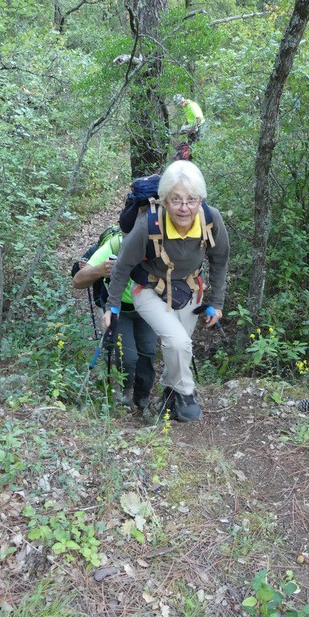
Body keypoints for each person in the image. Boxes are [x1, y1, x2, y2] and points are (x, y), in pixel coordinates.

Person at [103, 160, 230, 423]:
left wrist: (216, 303)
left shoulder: (210, 219)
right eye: (176, 200)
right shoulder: (148, 225)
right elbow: (122, 266)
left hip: (189, 289)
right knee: (178, 342)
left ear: (200, 200)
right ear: (164, 200)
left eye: (191, 200)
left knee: (178, 347)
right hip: (148, 289)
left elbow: (220, 259)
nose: (184, 207)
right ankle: (187, 394)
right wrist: (112, 306)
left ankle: (169, 399)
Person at [73, 230, 157, 410]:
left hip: (148, 309)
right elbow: (78, 281)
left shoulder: (157, 241)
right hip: (119, 309)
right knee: (128, 357)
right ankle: (125, 392)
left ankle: (142, 398)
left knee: (148, 354)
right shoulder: (115, 244)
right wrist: (99, 270)